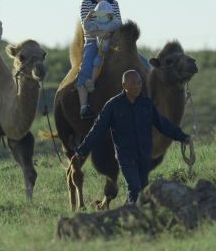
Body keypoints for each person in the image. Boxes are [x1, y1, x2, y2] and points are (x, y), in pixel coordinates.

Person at [70, 70, 191, 204]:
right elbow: (97, 130)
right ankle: (133, 217)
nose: (138, 86)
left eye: (139, 83)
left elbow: (163, 124)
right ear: (124, 85)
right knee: (135, 188)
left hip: (144, 156)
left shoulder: (147, 104)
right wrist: (81, 151)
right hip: (126, 157)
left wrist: (183, 137)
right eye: (133, 84)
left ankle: (128, 214)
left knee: (143, 190)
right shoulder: (113, 106)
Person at [77, 0, 122, 120]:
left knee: (138, 61)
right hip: (92, 41)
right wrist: (100, 33)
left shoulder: (114, 3)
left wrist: (108, 34)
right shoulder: (86, 3)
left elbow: (118, 24)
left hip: (112, 41)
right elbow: (86, 26)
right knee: (85, 69)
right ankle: (84, 106)